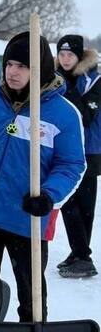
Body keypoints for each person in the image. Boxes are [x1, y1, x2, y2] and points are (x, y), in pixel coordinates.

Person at [0, 32, 86, 332]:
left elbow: (72, 164)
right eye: (9, 64)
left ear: (41, 70)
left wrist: (49, 195)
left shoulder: (61, 113)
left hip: (28, 219)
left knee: (31, 295)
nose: (13, 72)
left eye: (23, 65)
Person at [56, 34, 101, 278]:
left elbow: (86, 116)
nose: (64, 59)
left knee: (82, 205)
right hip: (64, 147)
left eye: (69, 55)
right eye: (61, 54)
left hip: (89, 149)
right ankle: (80, 252)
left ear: (79, 56)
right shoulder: (57, 77)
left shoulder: (93, 80)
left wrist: (64, 87)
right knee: (70, 202)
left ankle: (82, 255)